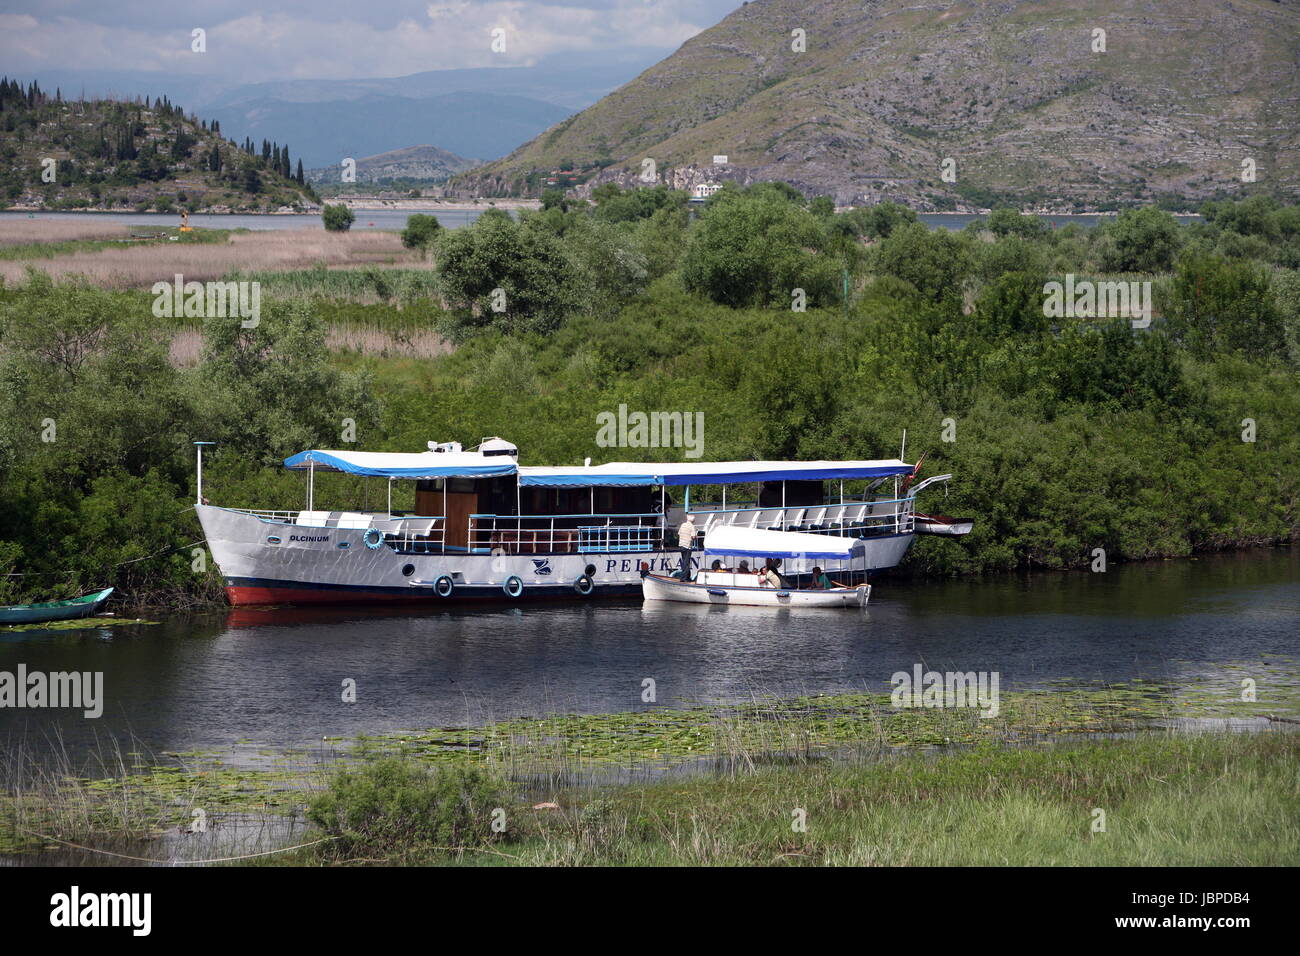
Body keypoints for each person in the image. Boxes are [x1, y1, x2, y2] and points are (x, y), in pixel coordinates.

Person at [676, 513, 697, 581]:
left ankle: (687, 576)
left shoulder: (683, 525)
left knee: (684, 561)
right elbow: (693, 537)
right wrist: (695, 537)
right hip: (687, 546)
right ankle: (684, 578)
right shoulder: (692, 526)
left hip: (681, 545)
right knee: (686, 562)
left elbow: (679, 533)